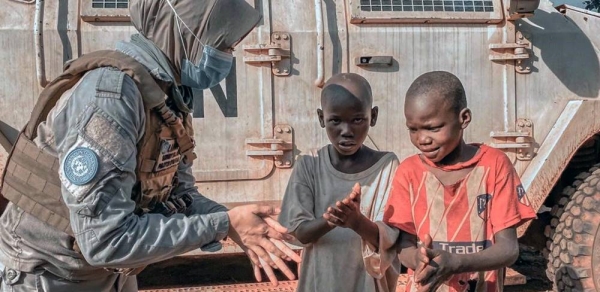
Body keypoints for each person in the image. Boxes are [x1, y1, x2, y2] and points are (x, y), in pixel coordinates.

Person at [0, 0, 300, 290]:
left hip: (106, 272)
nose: (227, 56)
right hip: (47, 273)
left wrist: (235, 223)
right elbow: (105, 240)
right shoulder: (111, 99)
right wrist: (221, 225)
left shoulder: (165, 94)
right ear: (184, 30)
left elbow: (178, 195)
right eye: (221, 44)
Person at [334, 71, 536, 292]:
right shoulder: (409, 172)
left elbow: (508, 249)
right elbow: (404, 246)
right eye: (413, 129)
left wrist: (456, 262)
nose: (422, 139)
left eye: (433, 128)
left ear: (464, 118)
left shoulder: (495, 165)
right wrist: (419, 261)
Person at [277, 73, 401, 292]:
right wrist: (330, 220)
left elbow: (390, 241)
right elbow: (300, 233)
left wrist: (355, 221)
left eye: (357, 119)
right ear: (321, 118)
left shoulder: (387, 166)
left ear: (373, 116)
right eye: (335, 120)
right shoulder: (308, 165)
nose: (346, 131)